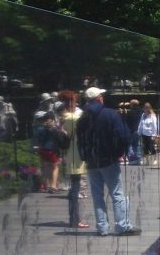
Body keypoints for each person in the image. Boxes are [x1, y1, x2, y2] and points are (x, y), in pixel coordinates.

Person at [76, 87, 140, 236]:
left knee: (97, 195)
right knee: (117, 194)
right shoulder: (110, 114)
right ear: (99, 98)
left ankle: (102, 227)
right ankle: (122, 226)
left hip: (91, 161)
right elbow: (123, 136)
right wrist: (118, 153)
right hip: (108, 160)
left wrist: (84, 156)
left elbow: (80, 140)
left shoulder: (83, 118)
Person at [58, 90, 88, 229]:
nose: (73, 102)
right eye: (72, 100)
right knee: (75, 188)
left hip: (70, 152)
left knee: (74, 188)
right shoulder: (73, 116)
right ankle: (75, 219)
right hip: (76, 152)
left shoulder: (62, 116)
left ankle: (74, 218)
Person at [137, 102, 159, 166]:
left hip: (150, 134)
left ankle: (155, 159)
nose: (146, 109)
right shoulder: (143, 115)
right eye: (145, 108)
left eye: (147, 108)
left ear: (149, 108)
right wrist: (139, 131)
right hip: (144, 134)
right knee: (145, 148)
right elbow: (141, 124)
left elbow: (154, 126)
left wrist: (154, 135)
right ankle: (147, 161)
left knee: (151, 147)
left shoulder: (152, 116)